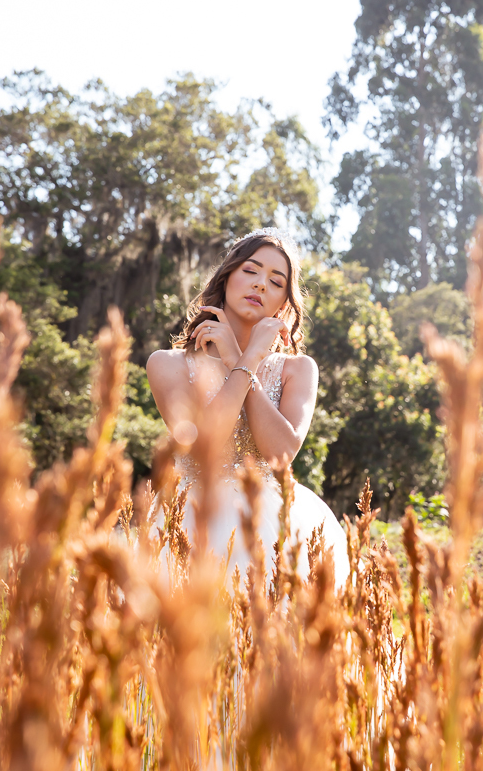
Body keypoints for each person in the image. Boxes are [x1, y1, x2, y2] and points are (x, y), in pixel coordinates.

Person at [146, 228, 350, 586]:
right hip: (193, 520)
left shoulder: (298, 369)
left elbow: (280, 455)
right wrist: (244, 360)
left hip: (272, 524)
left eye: (276, 281)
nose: (260, 285)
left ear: (284, 303)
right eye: (250, 271)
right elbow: (203, 445)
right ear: (226, 277)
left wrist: (244, 358)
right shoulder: (168, 365)